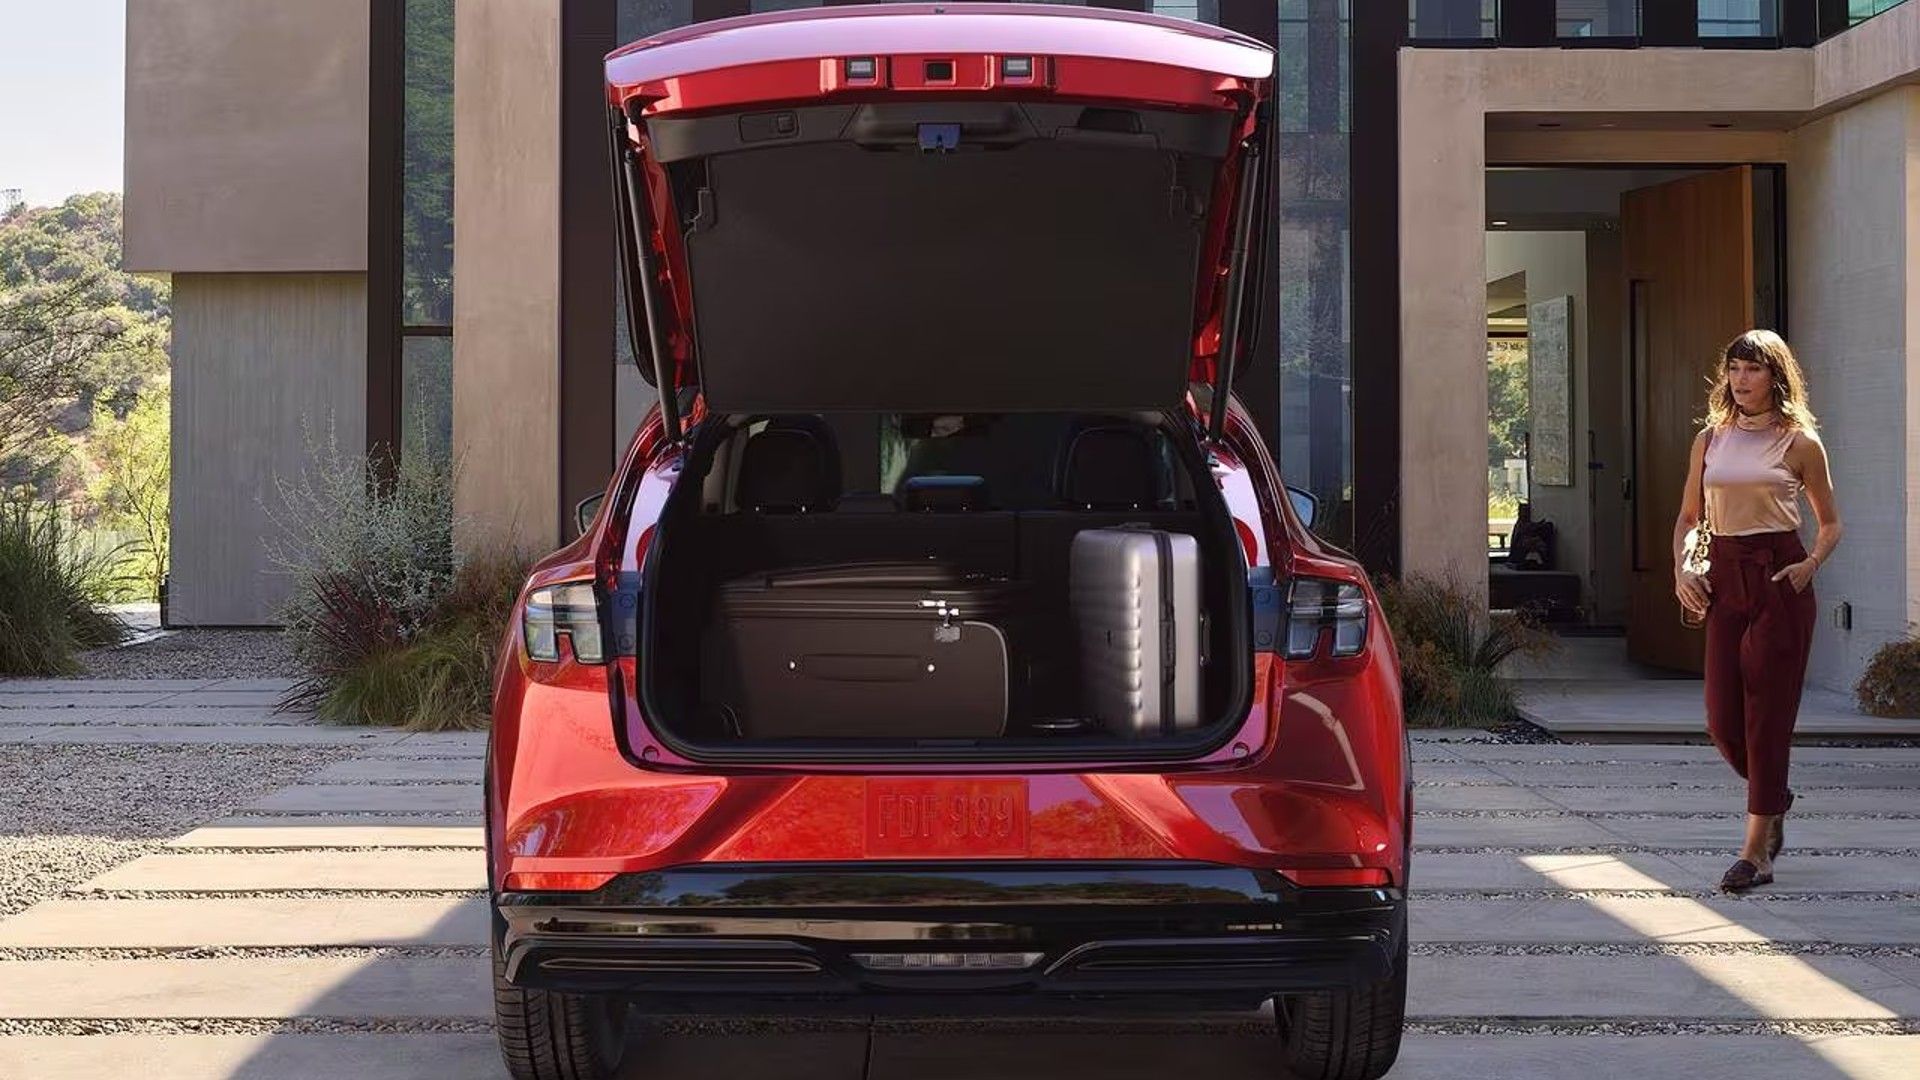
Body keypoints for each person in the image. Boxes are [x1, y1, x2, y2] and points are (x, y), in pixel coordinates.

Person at [1673, 330, 1842, 892]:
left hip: (1779, 578)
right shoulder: (1710, 439)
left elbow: (1831, 521)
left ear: (1776, 377)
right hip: (1723, 577)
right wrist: (1683, 570)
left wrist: (1811, 563)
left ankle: (1755, 854)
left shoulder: (1799, 443)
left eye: (1753, 370)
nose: (1741, 380)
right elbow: (1690, 517)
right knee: (1723, 721)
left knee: (1767, 718)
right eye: (1734, 369)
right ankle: (1775, 796)